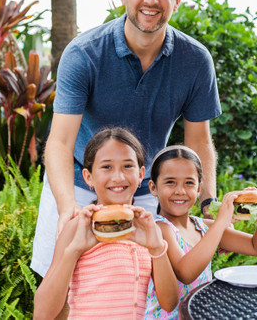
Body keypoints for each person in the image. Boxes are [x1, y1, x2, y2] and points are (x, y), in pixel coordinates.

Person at [31, 0, 222, 276]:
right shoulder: (83, 53)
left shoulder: (195, 61)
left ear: (176, 0)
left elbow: (199, 142)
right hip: (78, 185)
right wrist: (67, 208)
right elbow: (60, 142)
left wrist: (207, 204)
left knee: (139, 287)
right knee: (60, 284)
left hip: (143, 190)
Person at [33, 127, 179, 319]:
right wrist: (74, 250)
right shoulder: (78, 227)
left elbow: (169, 303)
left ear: (141, 174)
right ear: (88, 177)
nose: (118, 177)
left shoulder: (147, 228)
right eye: (106, 167)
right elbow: (42, 313)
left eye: (128, 166)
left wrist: (156, 248)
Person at [143, 145, 257, 319]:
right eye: (170, 182)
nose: (180, 191)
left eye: (189, 183)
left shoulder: (203, 227)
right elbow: (185, 273)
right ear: (153, 187)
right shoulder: (159, 229)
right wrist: (221, 222)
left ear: (199, 189)